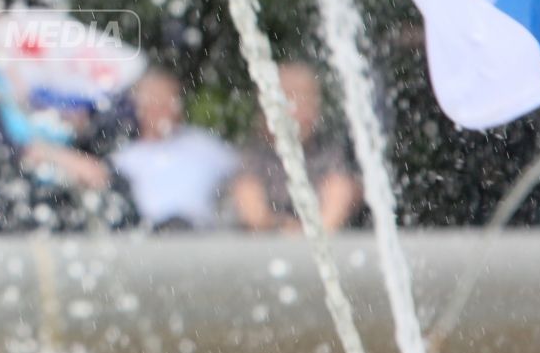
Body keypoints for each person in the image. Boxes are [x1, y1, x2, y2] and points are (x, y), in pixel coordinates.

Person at [229, 61, 360, 233]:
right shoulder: (254, 157)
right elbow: (253, 214)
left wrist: (307, 231)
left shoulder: (330, 154)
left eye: (309, 98)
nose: (303, 109)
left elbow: (335, 210)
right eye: (291, 97)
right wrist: (283, 227)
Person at [110, 68, 238, 230]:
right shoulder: (124, 157)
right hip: (149, 240)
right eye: (153, 101)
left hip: (201, 236)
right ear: (138, 107)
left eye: (167, 101)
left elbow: (244, 174)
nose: (160, 109)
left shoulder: (206, 146)